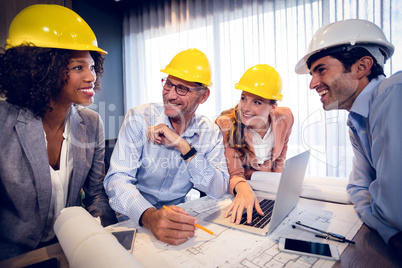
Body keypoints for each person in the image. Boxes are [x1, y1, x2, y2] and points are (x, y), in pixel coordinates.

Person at [0, 5, 117, 260]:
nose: (91, 77)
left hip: (68, 249)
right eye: (78, 68)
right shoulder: (3, 123)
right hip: (12, 257)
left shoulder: (92, 123)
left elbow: (96, 194)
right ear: (42, 71)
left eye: (92, 67)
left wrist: (110, 242)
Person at [295, 19, 402, 257]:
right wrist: (387, 228)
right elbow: (358, 186)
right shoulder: (357, 121)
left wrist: (384, 219)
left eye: (321, 69)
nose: (312, 84)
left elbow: (394, 210)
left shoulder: (394, 93)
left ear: (361, 67)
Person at [104, 48, 229, 245]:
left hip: (178, 215)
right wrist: (149, 216)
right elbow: (117, 179)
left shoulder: (209, 131)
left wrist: (183, 146)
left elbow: (218, 189)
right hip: (134, 216)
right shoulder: (139, 118)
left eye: (182, 89)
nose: (170, 95)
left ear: (203, 96)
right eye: (168, 84)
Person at [216, 64, 293, 224]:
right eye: (243, 98)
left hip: (269, 188)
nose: (246, 108)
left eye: (257, 102)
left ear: (273, 107)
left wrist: (276, 181)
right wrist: (244, 188)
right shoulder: (228, 124)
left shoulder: (286, 117)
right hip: (244, 186)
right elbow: (235, 173)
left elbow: (282, 151)